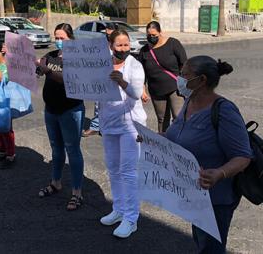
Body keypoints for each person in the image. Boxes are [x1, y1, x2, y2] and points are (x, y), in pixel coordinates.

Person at [165, 56, 253, 253]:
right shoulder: (189, 102)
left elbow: (243, 156)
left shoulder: (224, 110)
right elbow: (180, 135)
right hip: (194, 193)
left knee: (211, 248)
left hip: (216, 199)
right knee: (201, 242)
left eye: (184, 75)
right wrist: (156, 140)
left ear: (201, 80)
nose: (179, 79)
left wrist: (219, 173)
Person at [99, 29, 147, 238]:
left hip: (131, 125)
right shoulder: (101, 63)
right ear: (110, 45)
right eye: (119, 45)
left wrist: (121, 81)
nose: (124, 49)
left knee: (128, 172)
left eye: (126, 44)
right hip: (109, 123)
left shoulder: (135, 65)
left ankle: (131, 218)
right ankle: (118, 210)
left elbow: (136, 93)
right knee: (113, 169)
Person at [36, 23, 85, 211]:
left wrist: (47, 70)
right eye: (56, 37)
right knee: (56, 149)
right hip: (51, 110)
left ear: (71, 39)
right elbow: (40, 70)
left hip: (70, 110)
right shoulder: (50, 56)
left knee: (73, 150)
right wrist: (36, 68)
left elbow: (69, 81)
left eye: (62, 38)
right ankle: (56, 182)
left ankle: (77, 193)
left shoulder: (79, 59)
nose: (58, 41)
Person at [138, 21, 187, 133]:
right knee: (162, 119)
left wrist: (184, 82)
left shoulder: (173, 43)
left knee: (178, 117)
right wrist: (143, 90)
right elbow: (141, 72)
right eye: (148, 35)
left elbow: (184, 63)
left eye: (154, 35)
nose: (151, 38)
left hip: (175, 87)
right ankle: (163, 145)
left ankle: (180, 144)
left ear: (160, 32)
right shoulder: (144, 51)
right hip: (156, 90)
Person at [82, 23, 118, 137]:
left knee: (113, 105)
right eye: (106, 33)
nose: (108, 34)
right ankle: (95, 126)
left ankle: (110, 127)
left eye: (110, 32)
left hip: (114, 78)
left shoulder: (119, 44)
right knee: (98, 105)